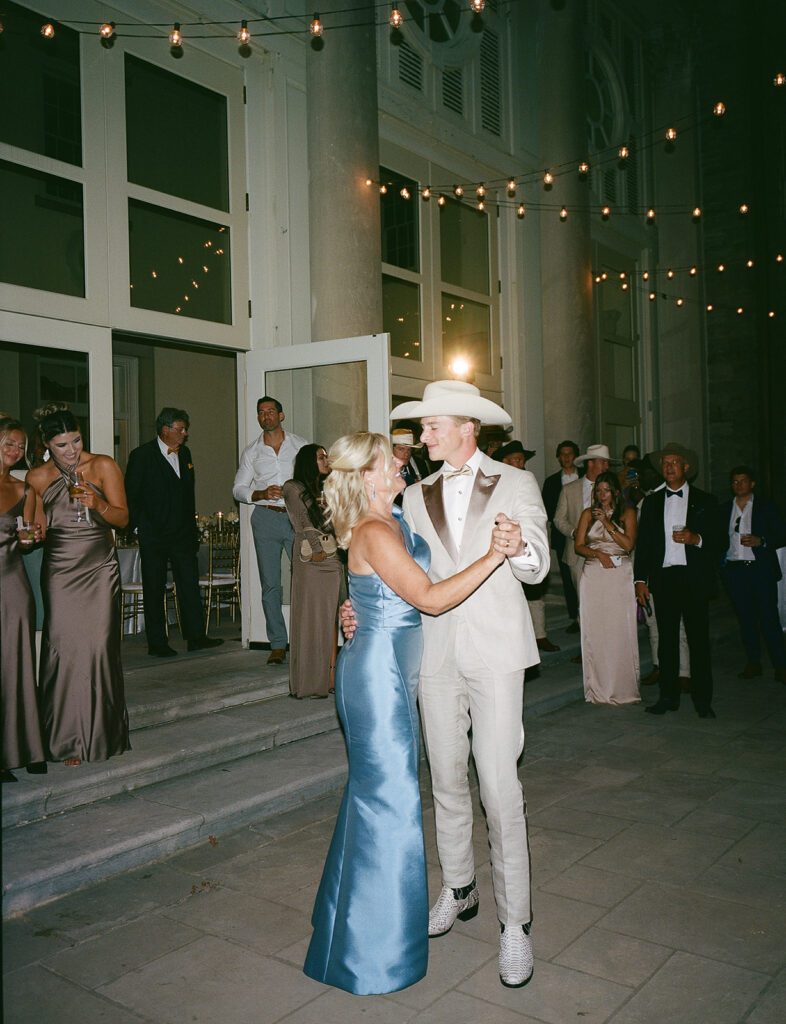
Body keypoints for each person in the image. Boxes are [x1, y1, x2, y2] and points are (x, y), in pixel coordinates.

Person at [353, 380, 550, 988]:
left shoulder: (516, 483)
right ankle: (459, 888)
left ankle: (515, 924)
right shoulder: (415, 496)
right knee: (445, 779)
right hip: (435, 656)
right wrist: (357, 603)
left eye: (431, 426)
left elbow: (539, 563)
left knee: (498, 783)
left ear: (466, 427)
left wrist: (518, 549)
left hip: (495, 655)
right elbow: (402, 567)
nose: (421, 437)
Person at [304, 432, 510, 995]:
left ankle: (346, 925)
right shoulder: (372, 529)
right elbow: (432, 598)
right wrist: (496, 555)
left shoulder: (393, 516)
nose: (398, 463)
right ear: (365, 476)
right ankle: (375, 954)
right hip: (375, 677)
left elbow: (376, 590)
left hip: (393, 666)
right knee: (389, 802)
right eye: (385, 461)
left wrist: (355, 606)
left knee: (373, 798)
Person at [24, 405, 130, 766]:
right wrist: (30, 534)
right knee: (63, 649)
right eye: (61, 445)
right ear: (46, 445)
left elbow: (123, 517)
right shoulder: (37, 478)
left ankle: (99, 733)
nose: (71, 451)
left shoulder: (103, 465)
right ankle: (67, 738)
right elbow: (38, 529)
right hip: (61, 570)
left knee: (99, 647)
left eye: (76, 441)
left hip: (99, 566)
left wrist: (97, 502)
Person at [634, 442, 724, 718]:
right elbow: (645, 544)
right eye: (665, 463)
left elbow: (720, 541)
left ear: (686, 467)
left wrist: (695, 539)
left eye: (674, 462)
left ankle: (702, 700)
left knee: (698, 641)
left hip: (693, 578)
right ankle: (668, 697)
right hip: (665, 579)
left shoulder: (706, 501)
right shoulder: (651, 502)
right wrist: (640, 580)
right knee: (667, 641)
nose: (668, 466)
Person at [125, 408, 223, 658]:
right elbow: (132, 494)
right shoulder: (142, 455)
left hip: (182, 534)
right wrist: (137, 527)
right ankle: (157, 643)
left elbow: (187, 494)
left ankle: (196, 637)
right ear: (165, 429)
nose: (185, 434)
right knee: (154, 587)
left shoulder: (185, 454)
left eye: (184, 429)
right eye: (180, 429)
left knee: (189, 584)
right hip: (154, 534)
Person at [233, 397, 308, 665]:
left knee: (305, 579)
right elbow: (238, 489)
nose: (266, 416)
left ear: (281, 415)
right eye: (261, 413)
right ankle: (277, 643)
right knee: (270, 584)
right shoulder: (252, 452)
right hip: (265, 518)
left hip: (296, 518)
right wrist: (260, 493)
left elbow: (315, 479)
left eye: (270, 411)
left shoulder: (300, 445)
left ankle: (305, 640)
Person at [0, 417, 47, 782]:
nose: (14, 450)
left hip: (13, 581)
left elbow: (29, 537)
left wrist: (31, 538)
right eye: (8, 443)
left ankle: (27, 745)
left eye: (20, 446)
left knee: (18, 663)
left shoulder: (26, 489)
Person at [574, 471, 640, 704]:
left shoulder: (628, 513)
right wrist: (597, 553)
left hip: (619, 574)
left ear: (616, 492)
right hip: (593, 574)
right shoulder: (586, 514)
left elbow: (629, 544)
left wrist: (606, 522)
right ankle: (597, 688)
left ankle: (622, 687)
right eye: (598, 491)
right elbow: (579, 546)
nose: (602, 495)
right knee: (596, 630)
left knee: (619, 628)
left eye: (606, 490)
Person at [283, 444, 343, 699]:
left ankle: (330, 678)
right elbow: (303, 522)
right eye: (321, 457)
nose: (326, 460)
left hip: (334, 558)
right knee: (310, 619)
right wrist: (318, 549)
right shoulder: (293, 487)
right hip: (312, 560)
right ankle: (309, 683)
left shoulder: (328, 487)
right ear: (309, 460)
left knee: (332, 619)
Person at [720, 466, 786, 683]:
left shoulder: (766, 507)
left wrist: (762, 540)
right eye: (735, 481)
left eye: (743, 480)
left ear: (752, 483)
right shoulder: (724, 509)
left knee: (769, 618)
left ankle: (781, 665)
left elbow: (781, 533)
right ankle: (753, 663)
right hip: (735, 570)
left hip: (760, 569)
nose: (738, 485)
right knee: (746, 619)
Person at [494, 441, 559, 653]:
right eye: (517, 460)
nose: (521, 463)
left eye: (522, 460)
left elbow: (536, 516)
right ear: (505, 461)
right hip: (502, 550)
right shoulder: (494, 483)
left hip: (527, 548)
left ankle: (540, 635)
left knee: (535, 595)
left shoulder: (526, 481)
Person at [542, 440, 582, 634]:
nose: (566, 457)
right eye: (562, 454)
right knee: (568, 578)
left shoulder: (586, 477)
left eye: (570, 453)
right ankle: (575, 616)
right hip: (562, 536)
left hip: (588, 536)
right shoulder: (551, 482)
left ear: (576, 456)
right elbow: (547, 511)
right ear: (558, 457)